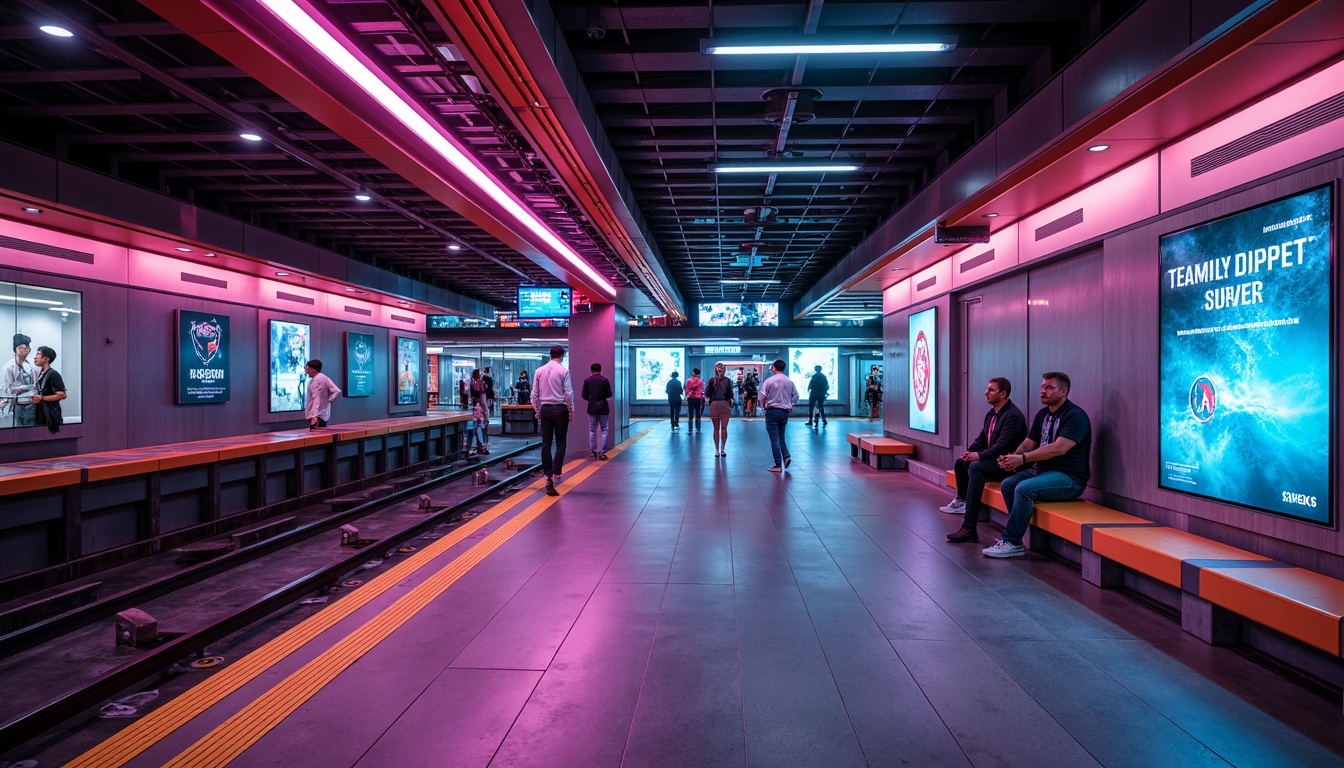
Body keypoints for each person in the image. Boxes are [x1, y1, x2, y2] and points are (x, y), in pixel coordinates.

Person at [982, 372, 1093, 558]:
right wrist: (1012, 457)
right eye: (1042, 387)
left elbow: (1060, 448)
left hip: (1069, 478)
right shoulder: (1043, 414)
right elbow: (1028, 443)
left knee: (1023, 489)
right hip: (1042, 471)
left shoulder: (1076, 416)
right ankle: (1014, 535)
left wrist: (1023, 459)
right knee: (1008, 484)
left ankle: (1012, 541)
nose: (1043, 391)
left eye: (1049, 388)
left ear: (1064, 391)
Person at [945, 378, 1028, 543]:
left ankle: (969, 527)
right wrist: (969, 452)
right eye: (987, 389)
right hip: (994, 460)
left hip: (1009, 464)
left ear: (1003, 393)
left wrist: (979, 456)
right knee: (962, 463)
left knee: (976, 467)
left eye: (991, 390)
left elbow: (1002, 446)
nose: (986, 393)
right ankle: (962, 500)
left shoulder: (1013, 416)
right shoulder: (992, 413)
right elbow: (983, 438)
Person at [532, 345, 573, 496]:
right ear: (561, 356)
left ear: (550, 355)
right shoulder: (564, 371)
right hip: (560, 409)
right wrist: (571, 409)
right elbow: (568, 393)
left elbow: (534, 394)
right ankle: (557, 471)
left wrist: (537, 411)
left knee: (546, 443)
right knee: (561, 442)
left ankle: (547, 475)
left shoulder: (539, 371)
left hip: (545, 409)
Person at [759, 359, 798, 473]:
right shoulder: (789, 381)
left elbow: (761, 396)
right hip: (784, 412)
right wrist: (791, 406)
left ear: (774, 368)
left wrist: (763, 406)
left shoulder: (769, 381)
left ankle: (777, 464)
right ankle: (786, 456)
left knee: (774, 438)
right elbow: (796, 395)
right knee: (781, 436)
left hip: (772, 411)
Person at [3, 334, 37, 427]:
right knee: (19, 430)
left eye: (25, 348)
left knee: (31, 429)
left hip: (31, 403)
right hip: (18, 404)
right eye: (20, 348)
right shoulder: (9, 367)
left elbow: (35, 385)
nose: (23, 350)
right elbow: (10, 389)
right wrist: (26, 388)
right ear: (15, 349)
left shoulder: (31, 365)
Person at [31, 345, 67, 434]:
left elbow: (62, 395)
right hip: (40, 413)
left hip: (50, 416)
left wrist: (42, 398)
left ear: (46, 359)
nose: (35, 357)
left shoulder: (54, 374)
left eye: (38, 354)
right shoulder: (41, 374)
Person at [581, 362, 613, 460]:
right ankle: (602, 451)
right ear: (600, 370)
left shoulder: (587, 380)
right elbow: (609, 394)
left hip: (591, 408)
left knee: (592, 430)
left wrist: (591, 399)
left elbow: (583, 394)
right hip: (603, 407)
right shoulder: (604, 380)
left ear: (591, 370)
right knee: (604, 429)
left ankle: (593, 450)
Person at [706, 362, 734, 457]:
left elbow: (730, 394)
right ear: (715, 369)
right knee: (716, 428)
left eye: (722, 367)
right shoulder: (711, 380)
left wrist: (730, 404)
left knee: (724, 427)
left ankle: (723, 448)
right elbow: (707, 393)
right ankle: (716, 449)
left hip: (724, 403)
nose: (720, 369)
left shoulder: (727, 381)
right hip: (714, 404)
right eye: (718, 367)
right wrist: (712, 384)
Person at [304, 359, 342, 429]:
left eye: (307, 368)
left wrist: (328, 400)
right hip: (315, 415)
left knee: (316, 436)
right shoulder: (313, 380)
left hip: (317, 416)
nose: (306, 371)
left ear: (313, 369)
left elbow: (336, 391)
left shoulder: (321, 379)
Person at [465, 370, 489, 456]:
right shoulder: (479, 383)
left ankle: (470, 447)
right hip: (479, 408)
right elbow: (482, 395)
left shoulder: (472, 383)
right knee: (479, 427)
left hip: (474, 408)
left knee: (473, 429)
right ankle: (481, 446)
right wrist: (485, 410)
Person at [683, 368, 705, 433]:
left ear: (693, 373)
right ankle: (698, 427)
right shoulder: (701, 382)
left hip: (690, 398)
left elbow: (686, 389)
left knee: (690, 413)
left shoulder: (688, 381)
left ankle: (690, 428)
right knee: (698, 412)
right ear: (699, 374)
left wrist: (688, 394)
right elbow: (702, 390)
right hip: (698, 398)